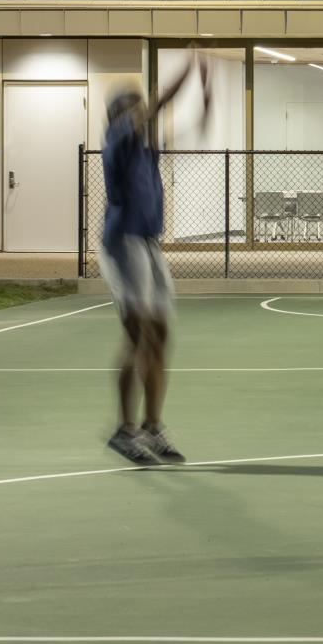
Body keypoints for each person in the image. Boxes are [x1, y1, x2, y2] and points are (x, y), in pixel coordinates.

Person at [99, 53, 210, 465]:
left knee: (160, 334)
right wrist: (187, 71)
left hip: (148, 242)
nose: (140, 114)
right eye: (133, 108)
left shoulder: (148, 146)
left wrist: (207, 93)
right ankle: (124, 430)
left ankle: (153, 426)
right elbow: (158, 104)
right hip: (122, 242)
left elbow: (193, 127)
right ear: (121, 116)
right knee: (138, 335)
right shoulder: (119, 139)